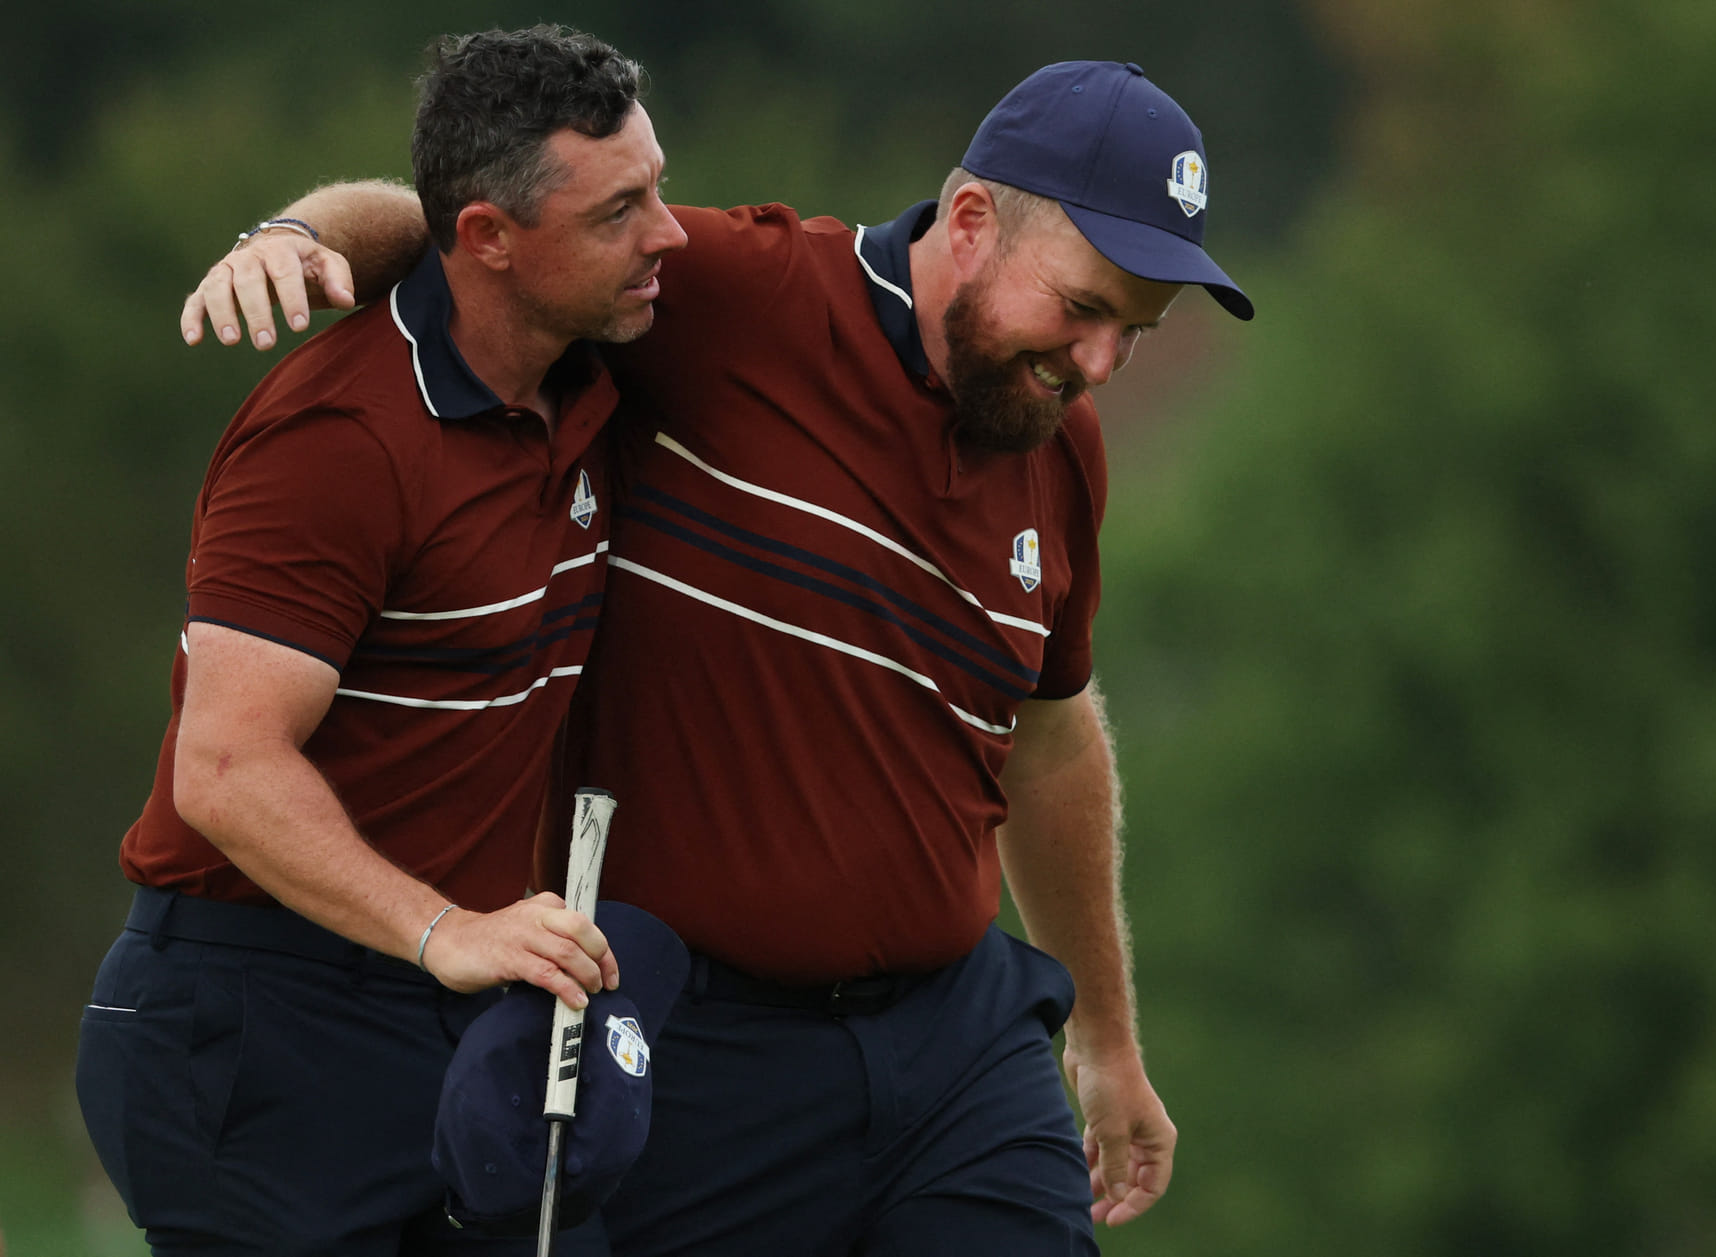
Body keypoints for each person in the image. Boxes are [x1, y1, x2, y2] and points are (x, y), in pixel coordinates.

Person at [182, 58, 1253, 1255]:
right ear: (967, 225)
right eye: (1082, 308)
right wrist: (295, 230)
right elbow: (488, 235)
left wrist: (1105, 1040)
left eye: (1135, 334)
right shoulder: (740, 294)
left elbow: (1048, 742)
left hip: (961, 1053)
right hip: (695, 1045)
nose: (1099, 364)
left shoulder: (1059, 449)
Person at [79, 26, 687, 1255]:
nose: (669, 232)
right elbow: (227, 769)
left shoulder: (582, 368)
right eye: (623, 208)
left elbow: (403, 219)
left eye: (658, 185)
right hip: (255, 1017)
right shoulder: (335, 441)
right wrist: (444, 930)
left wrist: (311, 228)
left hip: (448, 999)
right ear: (488, 243)